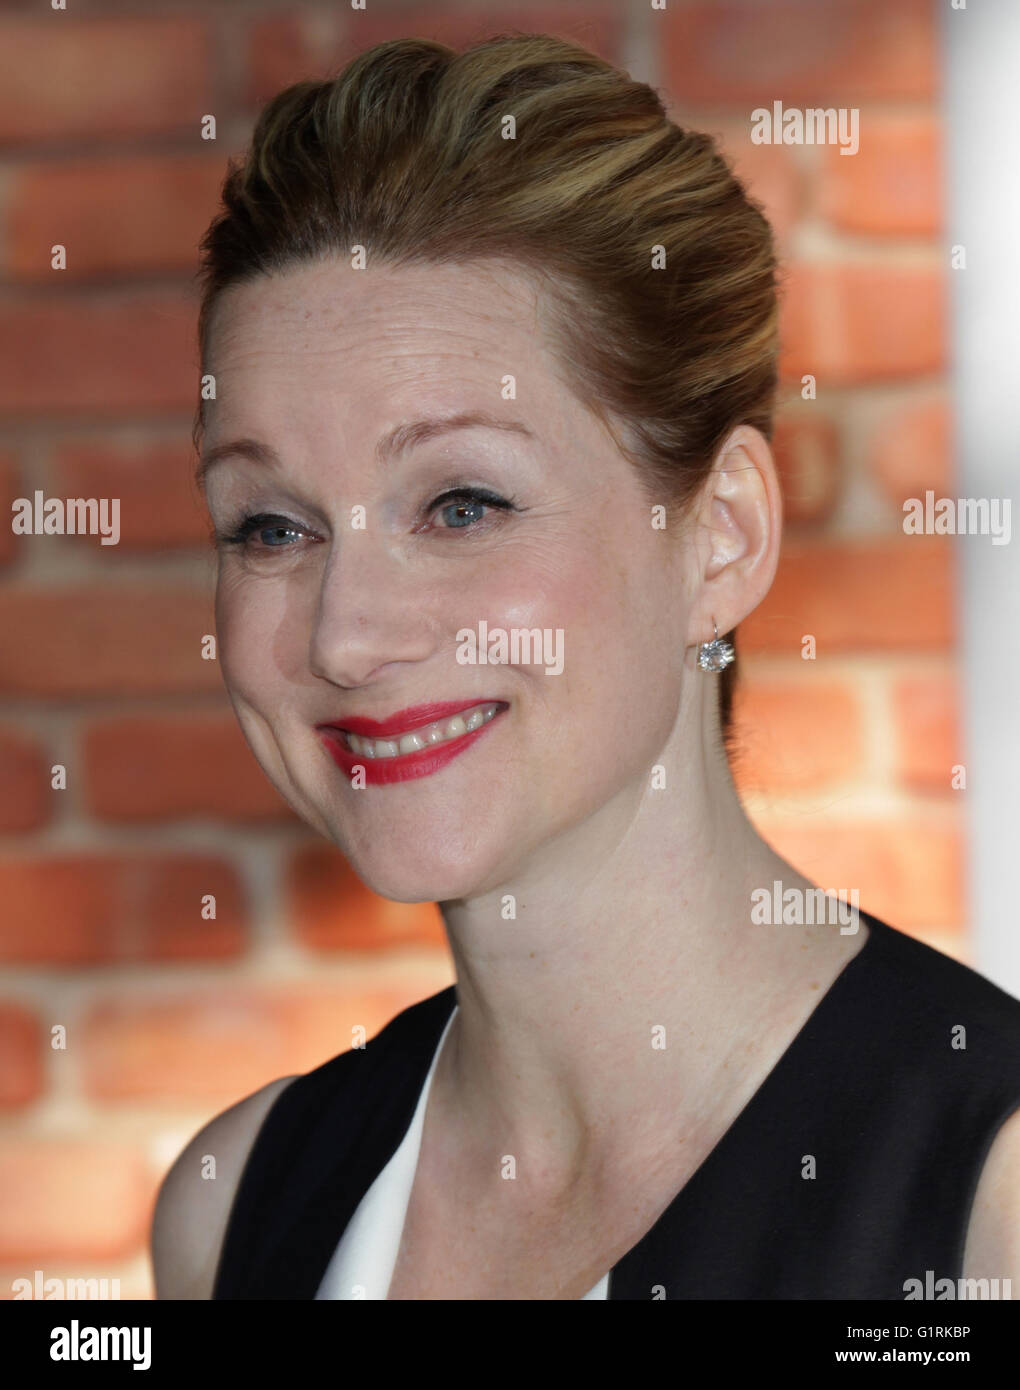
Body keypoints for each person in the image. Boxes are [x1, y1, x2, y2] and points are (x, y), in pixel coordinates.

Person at [150, 33, 1020, 1300]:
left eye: (460, 504)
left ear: (719, 535)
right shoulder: (236, 1208)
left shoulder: (990, 1200)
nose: (344, 635)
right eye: (272, 527)